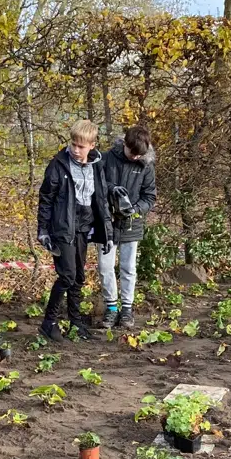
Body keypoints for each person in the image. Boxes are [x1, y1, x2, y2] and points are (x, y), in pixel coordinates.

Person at [37, 118, 112, 342]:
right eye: (73, 144)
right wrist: (43, 230)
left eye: (81, 146)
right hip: (62, 226)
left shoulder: (97, 165)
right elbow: (46, 199)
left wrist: (107, 231)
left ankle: (76, 323)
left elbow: (101, 198)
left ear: (92, 145)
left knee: (78, 277)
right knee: (67, 276)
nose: (76, 149)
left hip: (84, 226)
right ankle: (48, 322)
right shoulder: (58, 165)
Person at [96, 124, 157, 328]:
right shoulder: (107, 159)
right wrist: (112, 190)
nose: (136, 157)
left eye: (140, 154)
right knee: (105, 267)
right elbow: (97, 187)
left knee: (128, 268)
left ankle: (127, 309)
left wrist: (136, 208)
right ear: (125, 144)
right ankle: (111, 308)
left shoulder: (146, 166)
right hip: (107, 221)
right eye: (133, 153)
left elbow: (150, 196)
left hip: (132, 223)